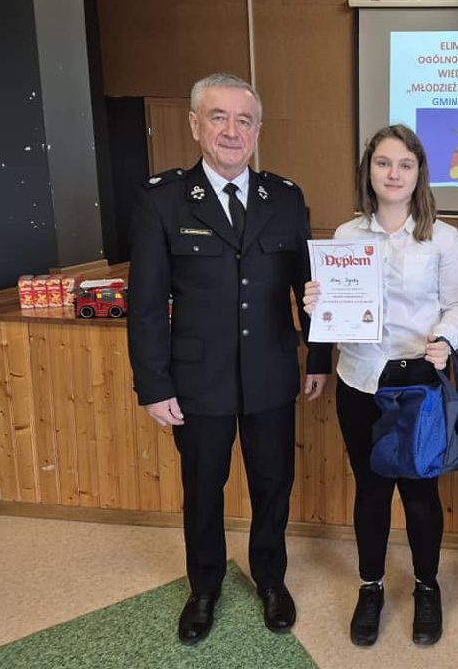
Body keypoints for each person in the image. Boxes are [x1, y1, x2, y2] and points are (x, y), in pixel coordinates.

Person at [127, 72, 331, 644]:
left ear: (258, 130)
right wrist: (153, 385)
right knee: (203, 489)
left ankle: (271, 579)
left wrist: (318, 358)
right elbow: (145, 304)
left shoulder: (284, 199)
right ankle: (204, 587)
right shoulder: (162, 200)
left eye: (245, 120)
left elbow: (310, 289)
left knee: (273, 484)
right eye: (219, 118)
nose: (232, 131)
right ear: (196, 125)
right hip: (197, 380)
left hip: (271, 373)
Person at [302, 124, 458, 647]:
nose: (393, 173)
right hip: (360, 380)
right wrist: (317, 305)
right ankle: (371, 587)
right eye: (383, 163)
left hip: (418, 383)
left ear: (419, 173)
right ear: (368, 171)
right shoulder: (346, 237)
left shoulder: (442, 237)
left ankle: (426, 587)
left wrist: (446, 338)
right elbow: (335, 311)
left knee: (420, 493)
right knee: (371, 490)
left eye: (404, 164)